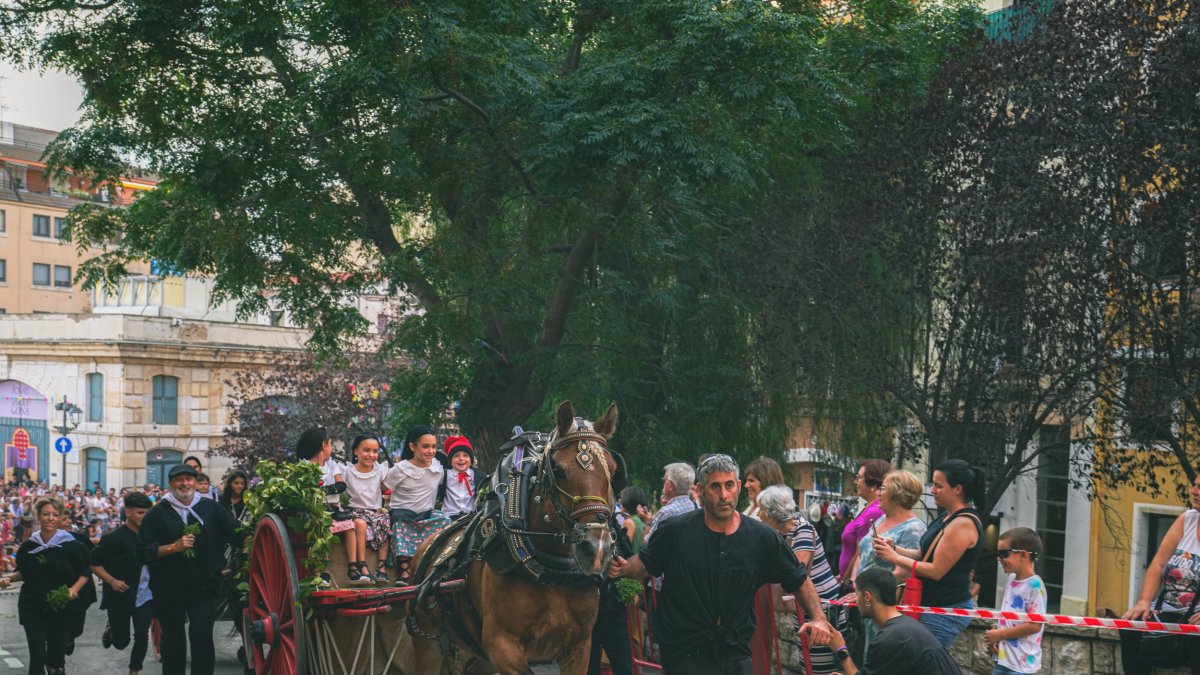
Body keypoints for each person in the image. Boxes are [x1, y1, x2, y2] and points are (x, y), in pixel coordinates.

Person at [607, 454, 834, 675]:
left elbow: (798, 578)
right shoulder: (675, 531)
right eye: (715, 487)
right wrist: (623, 568)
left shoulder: (761, 537)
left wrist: (819, 618)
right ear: (700, 490)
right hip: (685, 654)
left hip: (735, 652)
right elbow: (646, 563)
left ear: (738, 485)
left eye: (729, 485)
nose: (724, 495)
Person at [139, 463, 243, 675]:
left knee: (202, 635)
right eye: (179, 479)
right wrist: (173, 547)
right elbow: (144, 551)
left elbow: (237, 533)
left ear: (195, 482)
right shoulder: (157, 513)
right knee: (174, 641)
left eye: (189, 479)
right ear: (170, 484)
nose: (184, 483)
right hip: (168, 587)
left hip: (204, 586)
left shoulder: (211, 509)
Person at [873, 458, 985, 649]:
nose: (932, 490)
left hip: (944, 610)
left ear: (957, 489)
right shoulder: (947, 516)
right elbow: (923, 554)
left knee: (924, 664)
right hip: (932, 606)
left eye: (939, 486)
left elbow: (935, 570)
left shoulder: (963, 523)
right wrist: (895, 548)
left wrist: (895, 558)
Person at [758, 485, 845, 675]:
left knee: (819, 665)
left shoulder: (802, 531)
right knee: (808, 663)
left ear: (773, 514)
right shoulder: (785, 533)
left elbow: (798, 572)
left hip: (821, 608)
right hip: (806, 607)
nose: (758, 514)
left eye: (761, 510)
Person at [809, 566, 962, 675]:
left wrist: (840, 649)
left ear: (867, 597)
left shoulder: (891, 638)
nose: (856, 601)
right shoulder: (905, 627)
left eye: (858, 594)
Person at [0, 497, 91, 675]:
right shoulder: (28, 546)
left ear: (60, 518)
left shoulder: (71, 545)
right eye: (46, 514)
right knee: (37, 656)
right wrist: (9, 579)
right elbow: (23, 572)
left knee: (55, 659)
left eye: (55, 515)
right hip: (32, 604)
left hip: (61, 605)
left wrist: (74, 589)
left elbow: (85, 573)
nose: (50, 518)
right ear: (38, 516)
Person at [1121, 473, 1200, 674]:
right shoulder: (1188, 520)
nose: (1194, 491)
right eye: (1195, 485)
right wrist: (1144, 601)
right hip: (1166, 609)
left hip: (1195, 618)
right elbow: (1158, 563)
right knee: (1131, 627)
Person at [849, 469, 927, 657]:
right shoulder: (882, 519)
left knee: (879, 657)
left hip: (883, 604)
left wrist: (866, 592)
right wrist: (855, 582)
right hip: (865, 599)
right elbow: (862, 551)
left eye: (882, 488)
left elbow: (902, 572)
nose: (878, 493)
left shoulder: (914, 529)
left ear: (896, 492)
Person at [91, 492, 155, 675]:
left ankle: (134, 671)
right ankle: (112, 627)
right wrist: (111, 581)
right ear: (128, 512)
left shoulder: (151, 537)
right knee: (121, 643)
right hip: (119, 595)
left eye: (147, 513)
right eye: (140, 513)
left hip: (145, 595)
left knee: (142, 636)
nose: (144, 517)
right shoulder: (113, 538)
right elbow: (93, 564)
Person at [296, 427, 368, 585]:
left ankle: (353, 568)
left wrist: (323, 490)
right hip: (317, 511)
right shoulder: (305, 466)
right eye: (330, 444)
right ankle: (323, 571)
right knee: (322, 530)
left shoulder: (331, 465)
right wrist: (323, 491)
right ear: (323, 445)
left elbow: (340, 485)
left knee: (350, 527)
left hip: (335, 510)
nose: (331, 447)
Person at [385, 425, 451, 585]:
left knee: (446, 521)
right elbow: (384, 488)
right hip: (404, 516)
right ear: (413, 446)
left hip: (427, 515)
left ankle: (439, 564)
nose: (431, 451)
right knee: (399, 526)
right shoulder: (400, 470)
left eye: (434, 447)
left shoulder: (438, 468)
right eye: (426, 446)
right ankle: (404, 570)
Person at [985, 527, 1046, 675]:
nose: (999, 558)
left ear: (1023, 555)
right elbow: (1008, 616)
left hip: (1021, 666)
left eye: (1003, 553)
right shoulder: (1011, 579)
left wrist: (1001, 635)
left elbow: (1035, 625)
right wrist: (997, 635)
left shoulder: (1035, 585)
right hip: (1003, 660)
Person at [343, 435, 392, 584]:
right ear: (356, 451)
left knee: (385, 520)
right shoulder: (347, 472)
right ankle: (362, 565)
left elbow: (388, 489)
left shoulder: (380, 470)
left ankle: (381, 567)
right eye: (366, 450)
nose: (371, 455)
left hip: (375, 511)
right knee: (360, 524)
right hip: (355, 511)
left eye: (375, 451)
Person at [839, 458, 893, 579]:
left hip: (854, 581)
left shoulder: (874, 511)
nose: (855, 481)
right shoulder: (868, 508)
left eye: (859, 478)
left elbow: (860, 552)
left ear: (873, 484)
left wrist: (846, 580)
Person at [646, 462, 697, 540]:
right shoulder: (696, 507)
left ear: (670, 486)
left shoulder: (666, 512)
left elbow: (649, 543)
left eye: (664, 480)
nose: (663, 484)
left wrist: (647, 524)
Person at [437, 435, 483, 520]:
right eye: (456, 456)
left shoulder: (478, 476)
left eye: (465, 455)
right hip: (448, 518)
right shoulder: (444, 475)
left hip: (471, 518)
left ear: (471, 459)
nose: (461, 459)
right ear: (450, 460)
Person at [742, 456, 785, 520]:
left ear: (766, 482)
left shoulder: (773, 514)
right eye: (747, 481)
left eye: (751, 481)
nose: (746, 485)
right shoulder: (752, 506)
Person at [618, 486, 651, 552]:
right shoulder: (643, 522)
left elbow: (624, 549)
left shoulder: (629, 522)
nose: (619, 501)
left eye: (621, 500)